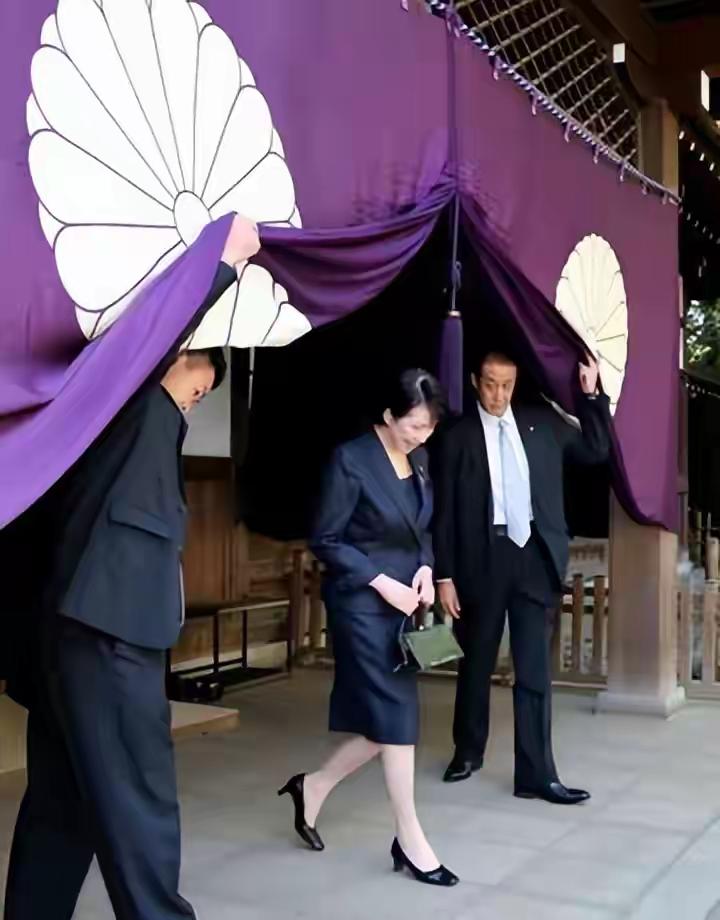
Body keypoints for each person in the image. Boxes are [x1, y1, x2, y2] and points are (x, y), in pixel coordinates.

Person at [2, 215, 260, 920]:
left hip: (76, 626)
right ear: (192, 366)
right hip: (106, 630)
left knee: (66, 803)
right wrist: (222, 265)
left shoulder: (110, 414)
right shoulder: (128, 398)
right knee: (139, 810)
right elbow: (151, 338)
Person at [279, 369, 458, 887]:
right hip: (361, 603)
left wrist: (425, 567)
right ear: (388, 415)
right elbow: (326, 540)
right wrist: (382, 581)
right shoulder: (350, 459)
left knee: (386, 722)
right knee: (398, 717)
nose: (422, 437)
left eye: (429, 428)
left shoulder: (420, 458)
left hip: (406, 600)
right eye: (414, 427)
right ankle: (410, 838)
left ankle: (312, 786)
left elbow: (421, 527)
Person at [433, 351, 610, 804]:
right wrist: (445, 576)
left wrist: (591, 396)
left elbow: (595, 449)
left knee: (533, 669)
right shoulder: (457, 435)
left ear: (516, 384)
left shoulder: (541, 423)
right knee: (477, 660)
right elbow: (445, 513)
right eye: (490, 383)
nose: (498, 394)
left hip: (534, 555)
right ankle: (468, 751)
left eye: (506, 384)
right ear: (475, 380)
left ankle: (536, 773)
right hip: (482, 557)